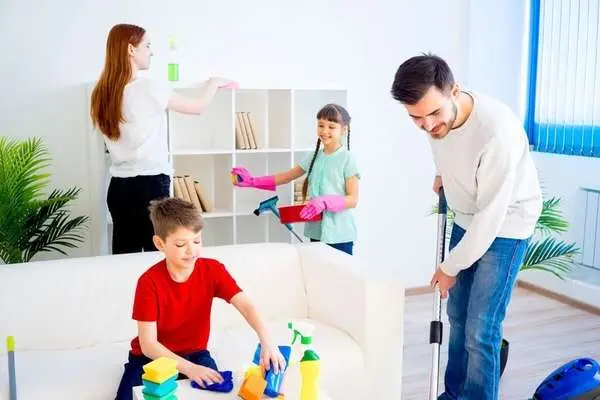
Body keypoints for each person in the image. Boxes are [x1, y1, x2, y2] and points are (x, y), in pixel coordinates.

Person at [390, 53, 542, 400]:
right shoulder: (433, 119)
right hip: (467, 216)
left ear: (454, 91)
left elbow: (492, 216)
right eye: (416, 118)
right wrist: (442, 172)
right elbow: (444, 146)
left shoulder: (496, 131)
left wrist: (449, 267)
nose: (428, 125)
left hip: (506, 223)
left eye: (433, 114)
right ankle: (453, 394)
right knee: (457, 316)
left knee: (481, 329)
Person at [114, 197, 286, 400]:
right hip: (151, 358)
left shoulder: (213, 270)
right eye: (181, 244)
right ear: (160, 243)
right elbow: (148, 344)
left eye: (197, 241)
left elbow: (246, 305)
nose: (191, 250)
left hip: (195, 354)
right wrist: (189, 369)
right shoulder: (149, 282)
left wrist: (267, 340)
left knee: (219, 393)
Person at [90, 23, 237, 255]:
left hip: (118, 188)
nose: (152, 52)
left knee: (124, 261)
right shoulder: (149, 87)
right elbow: (197, 107)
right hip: (151, 186)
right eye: (147, 46)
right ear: (130, 49)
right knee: (158, 257)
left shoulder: (101, 93)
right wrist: (214, 84)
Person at [231, 103, 360, 255]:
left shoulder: (347, 159)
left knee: (338, 271)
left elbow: (353, 199)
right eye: (321, 125)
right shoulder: (313, 156)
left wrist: (325, 202)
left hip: (340, 234)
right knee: (317, 269)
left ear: (344, 129)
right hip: (317, 231)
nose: (324, 131)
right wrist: (252, 181)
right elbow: (286, 177)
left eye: (331, 127)